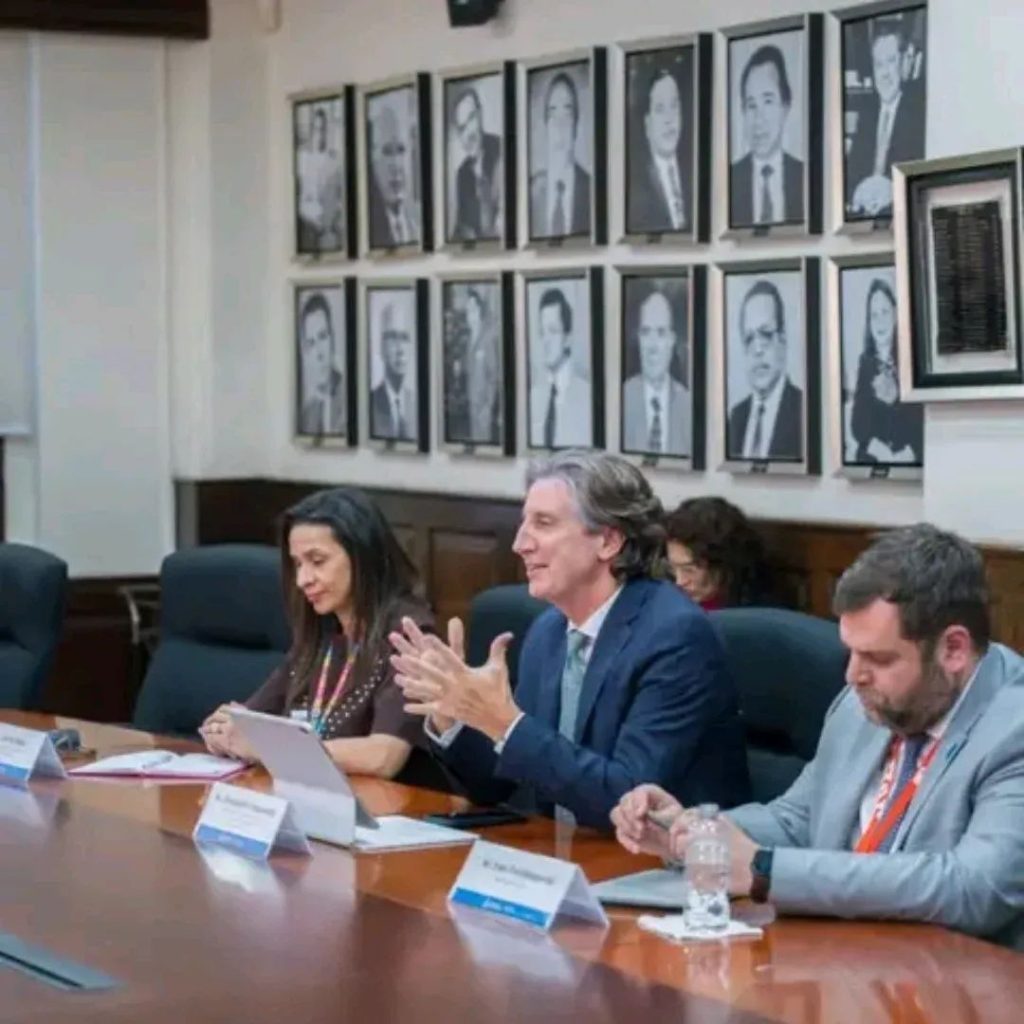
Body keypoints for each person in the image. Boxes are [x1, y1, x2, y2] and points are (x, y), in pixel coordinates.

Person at [612, 524, 1024, 950]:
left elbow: (974, 889)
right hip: (847, 956)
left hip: (954, 973)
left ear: (953, 649)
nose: (853, 676)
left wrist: (764, 870)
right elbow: (798, 821)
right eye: (851, 652)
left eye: (878, 658)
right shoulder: (862, 703)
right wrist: (694, 832)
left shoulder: (1013, 729)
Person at [389, 450, 751, 830]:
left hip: (667, 857)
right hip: (566, 853)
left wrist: (505, 722)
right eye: (523, 523)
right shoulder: (548, 631)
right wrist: (452, 713)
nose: (520, 543)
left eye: (543, 523)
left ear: (608, 541)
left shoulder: (676, 636)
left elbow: (628, 800)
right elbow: (494, 786)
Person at [200, 487, 433, 780]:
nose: (303, 580)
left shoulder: (409, 633)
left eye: (318, 561)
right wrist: (224, 730)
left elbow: (384, 756)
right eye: (298, 564)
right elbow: (249, 720)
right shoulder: (322, 633)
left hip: (383, 803)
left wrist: (266, 748)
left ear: (362, 556)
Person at [845, 20, 925, 219]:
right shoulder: (868, 112)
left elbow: (918, 175)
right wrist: (858, 193)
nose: (884, 74)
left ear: (904, 63)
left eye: (891, 61)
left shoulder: (918, 112)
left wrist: (891, 190)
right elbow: (851, 175)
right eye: (878, 64)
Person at [727, 279, 803, 461]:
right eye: (749, 338)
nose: (758, 349)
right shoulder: (736, 417)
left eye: (766, 334)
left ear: (783, 340)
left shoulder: (804, 411)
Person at [849, 278, 923, 464]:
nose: (880, 321)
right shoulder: (866, 362)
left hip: (908, 458)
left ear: (896, 315)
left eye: (885, 312)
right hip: (873, 457)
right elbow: (857, 426)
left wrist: (896, 399)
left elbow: (921, 423)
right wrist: (876, 447)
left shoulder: (912, 357)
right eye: (874, 315)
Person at [730, 44, 804, 227]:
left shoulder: (805, 177)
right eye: (751, 105)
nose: (758, 119)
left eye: (768, 101)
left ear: (785, 107)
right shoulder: (729, 180)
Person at [664, 497, 771, 611]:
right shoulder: (666, 604)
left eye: (689, 570)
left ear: (725, 565)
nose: (679, 582)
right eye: (672, 568)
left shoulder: (761, 612)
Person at [621, 287, 691, 456]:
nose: (652, 346)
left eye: (661, 333)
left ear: (672, 341)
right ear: (639, 339)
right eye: (646, 332)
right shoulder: (622, 399)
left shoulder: (688, 404)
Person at [627, 67, 690, 234]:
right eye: (660, 109)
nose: (669, 119)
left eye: (674, 106)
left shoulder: (695, 170)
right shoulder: (634, 184)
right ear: (647, 123)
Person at [529, 72, 591, 238]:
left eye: (567, 114)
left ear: (575, 126)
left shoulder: (592, 190)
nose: (559, 125)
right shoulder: (530, 191)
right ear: (545, 126)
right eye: (552, 114)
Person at [528, 287, 591, 449]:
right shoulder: (533, 398)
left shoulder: (587, 396)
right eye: (542, 332)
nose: (546, 340)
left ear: (568, 338)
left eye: (553, 331)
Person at [451, 85, 502, 242]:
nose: (469, 133)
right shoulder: (462, 174)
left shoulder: (502, 150)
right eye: (462, 128)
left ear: (480, 115)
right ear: (459, 136)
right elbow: (462, 228)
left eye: (471, 118)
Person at [368, 99, 420, 249]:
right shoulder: (366, 229)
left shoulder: (418, 223)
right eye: (387, 152)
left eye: (401, 150)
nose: (397, 165)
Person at [297, 291, 346, 436]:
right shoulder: (306, 415)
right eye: (311, 343)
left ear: (333, 339)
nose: (319, 353)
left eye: (323, 337)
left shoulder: (351, 400)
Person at [297, 105, 344, 252]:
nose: (321, 136)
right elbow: (300, 201)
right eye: (318, 130)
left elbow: (340, 199)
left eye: (324, 130)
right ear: (312, 132)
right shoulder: (303, 161)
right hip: (309, 224)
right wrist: (313, 217)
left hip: (329, 226)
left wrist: (332, 216)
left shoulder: (335, 163)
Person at [370, 298, 417, 441]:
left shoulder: (417, 404)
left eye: (404, 338)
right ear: (382, 347)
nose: (400, 349)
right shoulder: (370, 404)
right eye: (393, 338)